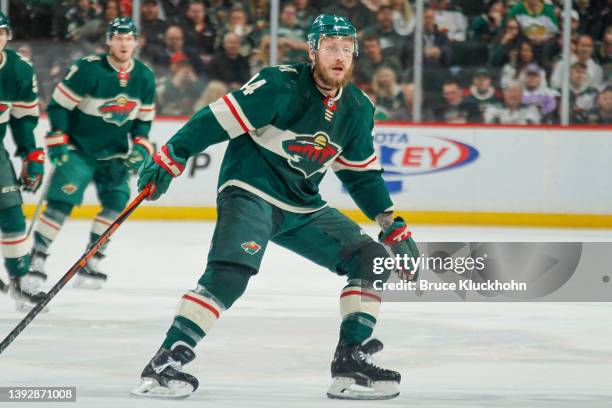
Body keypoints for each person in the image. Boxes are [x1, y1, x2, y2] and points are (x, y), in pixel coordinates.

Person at [130, 14, 418, 400]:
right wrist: (172, 154)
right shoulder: (279, 83)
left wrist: (391, 223)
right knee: (232, 272)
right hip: (251, 188)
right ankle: (165, 361)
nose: (339, 56)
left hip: (302, 204)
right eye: (330, 47)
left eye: (347, 49)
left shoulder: (358, 109)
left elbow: (362, 177)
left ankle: (350, 361)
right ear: (313, 51)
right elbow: (216, 120)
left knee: (370, 259)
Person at [28, 17, 156, 290]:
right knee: (62, 202)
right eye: (118, 37)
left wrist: (141, 145)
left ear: (136, 42)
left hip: (115, 155)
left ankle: (92, 258)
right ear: (109, 40)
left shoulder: (144, 76)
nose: (123, 43)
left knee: (117, 203)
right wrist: (58, 137)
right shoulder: (87, 70)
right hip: (79, 148)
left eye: (128, 38)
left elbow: (143, 120)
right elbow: (59, 106)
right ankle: (36, 258)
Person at [0, 12, 48, 311]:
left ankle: (18, 281)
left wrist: (31, 153)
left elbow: (22, 119)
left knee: (13, 216)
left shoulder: (17, 70)